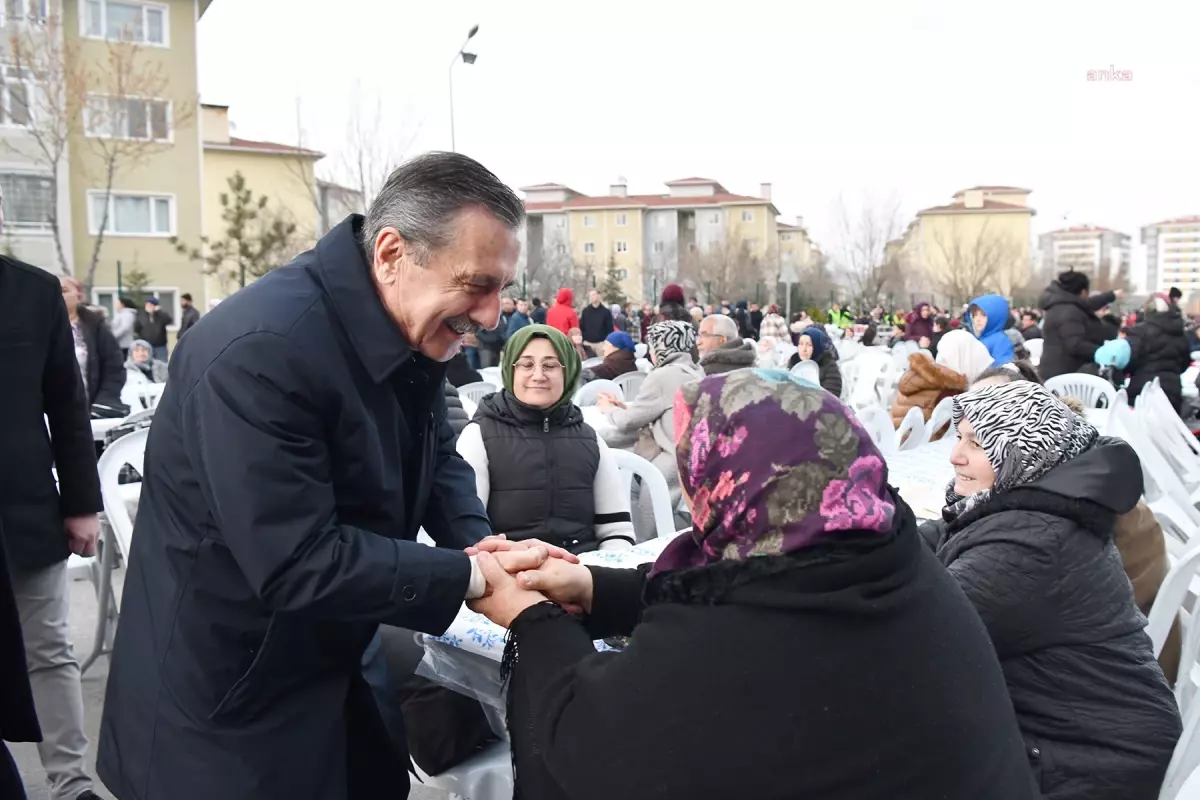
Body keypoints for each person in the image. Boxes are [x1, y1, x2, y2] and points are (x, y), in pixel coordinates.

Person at [97, 152, 578, 800]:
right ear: (390, 253)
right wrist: (467, 577)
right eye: (477, 284)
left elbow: (435, 451)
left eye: (502, 288)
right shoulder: (263, 352)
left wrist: (477, 539)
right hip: (228, 709)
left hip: (338, 666)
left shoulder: (405, 326)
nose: (493, 316)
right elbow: (297, 559)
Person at [468, 370, 1041, 800]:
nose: (693, 498)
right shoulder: (875, 550)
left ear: (736, 484)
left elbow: (593, 742)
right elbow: (731, 591)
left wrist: (528, 616)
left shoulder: (749, 639)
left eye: (698, 473)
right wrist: (590, 584)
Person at [921, 381, 1181, 799]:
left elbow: (919, 636)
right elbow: (938, 536)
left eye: (977, 442)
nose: (955, 455)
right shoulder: (1030, 501)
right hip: (1078, 734)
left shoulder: (1032, 543)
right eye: (958, 436)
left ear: (1023, 453)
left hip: (1097, 763)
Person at [970, 368, 1183, 685]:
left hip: (1107, 687)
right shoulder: (1089, 475)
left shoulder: (1061, 517)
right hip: (1134, 667)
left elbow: (981, 617)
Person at [0, 257, 104, 800]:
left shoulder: (33, 291)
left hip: (25, 508)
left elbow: (67, 403)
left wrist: (82, 504)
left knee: (48, 649)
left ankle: (71, 783)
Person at [456, 324, 636, 555]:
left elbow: (616, 530)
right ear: (511, 371)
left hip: (581, 572)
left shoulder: (590, 439)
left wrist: (594, 577)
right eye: (526, 364)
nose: (538, 375)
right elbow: (468, 534)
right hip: (506, 573)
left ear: (567, 372)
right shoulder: (479, 436)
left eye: (550, 365)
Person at [596, 320, 702, 530]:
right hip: (694, 455)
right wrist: (624, 407)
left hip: (672, 461)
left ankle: (644, 546)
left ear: (661, 347)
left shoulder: (662, 375)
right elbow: (661, 410)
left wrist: (609, 409)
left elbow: (627, 423)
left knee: (645, 505)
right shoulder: (696, 371)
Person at [889, 329, 991, 431]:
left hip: (896, 440)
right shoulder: (950, 391)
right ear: (967, 359)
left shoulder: (924, 377)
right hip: (923, 444)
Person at [59, 275, 127, 415]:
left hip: (89, 410)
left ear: (79, 295)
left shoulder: (95, 327)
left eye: (63, 290)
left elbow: (114, 368)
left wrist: (104, 402)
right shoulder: (39, 329)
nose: (57, 295)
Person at [1038, 270, 1119, 379]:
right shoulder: (1070, 312)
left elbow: (1088, 304)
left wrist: (1111, 295)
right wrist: (1102, 352)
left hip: (1054, 370)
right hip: (1064, 375)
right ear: (1083, 292)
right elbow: (1075, 345)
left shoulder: (1061, 304)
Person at [1124, 292, 1192, 412]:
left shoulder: (1139, 332)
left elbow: (1130, 360)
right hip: (1172, 391)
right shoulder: (1180, 334)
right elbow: (1184, 363)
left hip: (1142, 390)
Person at [787, 326, 842, 396]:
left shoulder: (828, 364)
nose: (804, 349)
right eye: (801, 344)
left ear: (817, 346)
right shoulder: (794, 361)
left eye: (809, 345)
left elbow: (831, 396)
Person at [965, 293, 1015, 366]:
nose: (978, 319)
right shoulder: (977, 338)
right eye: (975, 315)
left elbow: (1001, 369)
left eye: (983, 315)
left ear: (995, 317)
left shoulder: (1001, 341)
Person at [474, 295, 513, 368]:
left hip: (497, 348)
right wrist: (490, 339)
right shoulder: (483, 316)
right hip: (486, 348)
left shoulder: (501, 317)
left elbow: (502, 330)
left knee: (494, 369)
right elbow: (478, 332)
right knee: (487, 369)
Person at [135, 295, 173, 361]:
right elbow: (136, 328)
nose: (148, 306)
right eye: (147, 304)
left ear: (155, 306)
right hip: (146, 345)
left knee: (162, 364)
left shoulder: (161, 315)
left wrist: (159, 311)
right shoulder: (141, 315)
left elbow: (169, 320)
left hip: (160, 346)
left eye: (150, 304)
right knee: (148, 363)